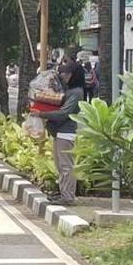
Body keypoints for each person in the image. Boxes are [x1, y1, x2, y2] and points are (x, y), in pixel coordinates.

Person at [38, 62, 85, 206]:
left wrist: (42, 113)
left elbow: (64, 113)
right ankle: (63, 192)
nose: (64, 76)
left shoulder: (77, 92)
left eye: (67, 73)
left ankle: (68, 196)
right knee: (60, 165)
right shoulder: (69, 90)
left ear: (74, 75)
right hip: (60, 133)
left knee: (66, 166)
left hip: (67, 132)